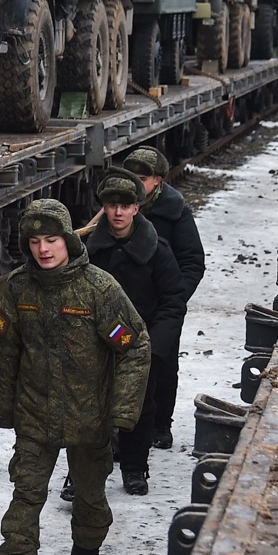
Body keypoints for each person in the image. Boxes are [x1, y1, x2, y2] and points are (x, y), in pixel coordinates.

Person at [0, 199, 149, 555]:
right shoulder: (18, 290)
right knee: (25, 495)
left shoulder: (98, 289)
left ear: (68, 239)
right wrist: (4, 408)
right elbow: (5, 351)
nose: (44, 249)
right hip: (35, 416)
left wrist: (122, 412)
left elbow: (134, 348)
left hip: (89, 417)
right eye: (36, 241)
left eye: (52, 240)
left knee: (91, 496)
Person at [84, 170, 188, 495]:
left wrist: (155, 346)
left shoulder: (157, 251)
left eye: (124, 205)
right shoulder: (90, 249)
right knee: (89, 409)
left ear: (136, 209)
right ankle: (82, 473)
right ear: (104, 207)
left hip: (139, 345)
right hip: (96, 344)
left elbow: (173, 300)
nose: (117, 212)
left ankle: (134, 468)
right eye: (111, 205)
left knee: (139, 409)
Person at [119, 146, 204, 450]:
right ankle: (121, 428)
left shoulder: (175, 211)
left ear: (157, 180)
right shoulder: (120, 207)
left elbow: (193, 262)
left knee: (162, 365)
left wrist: (174, 300)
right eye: (130, 177)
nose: (135, 184)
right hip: (123, 307)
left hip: (162, 307)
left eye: (141, 178)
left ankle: (160, 425)